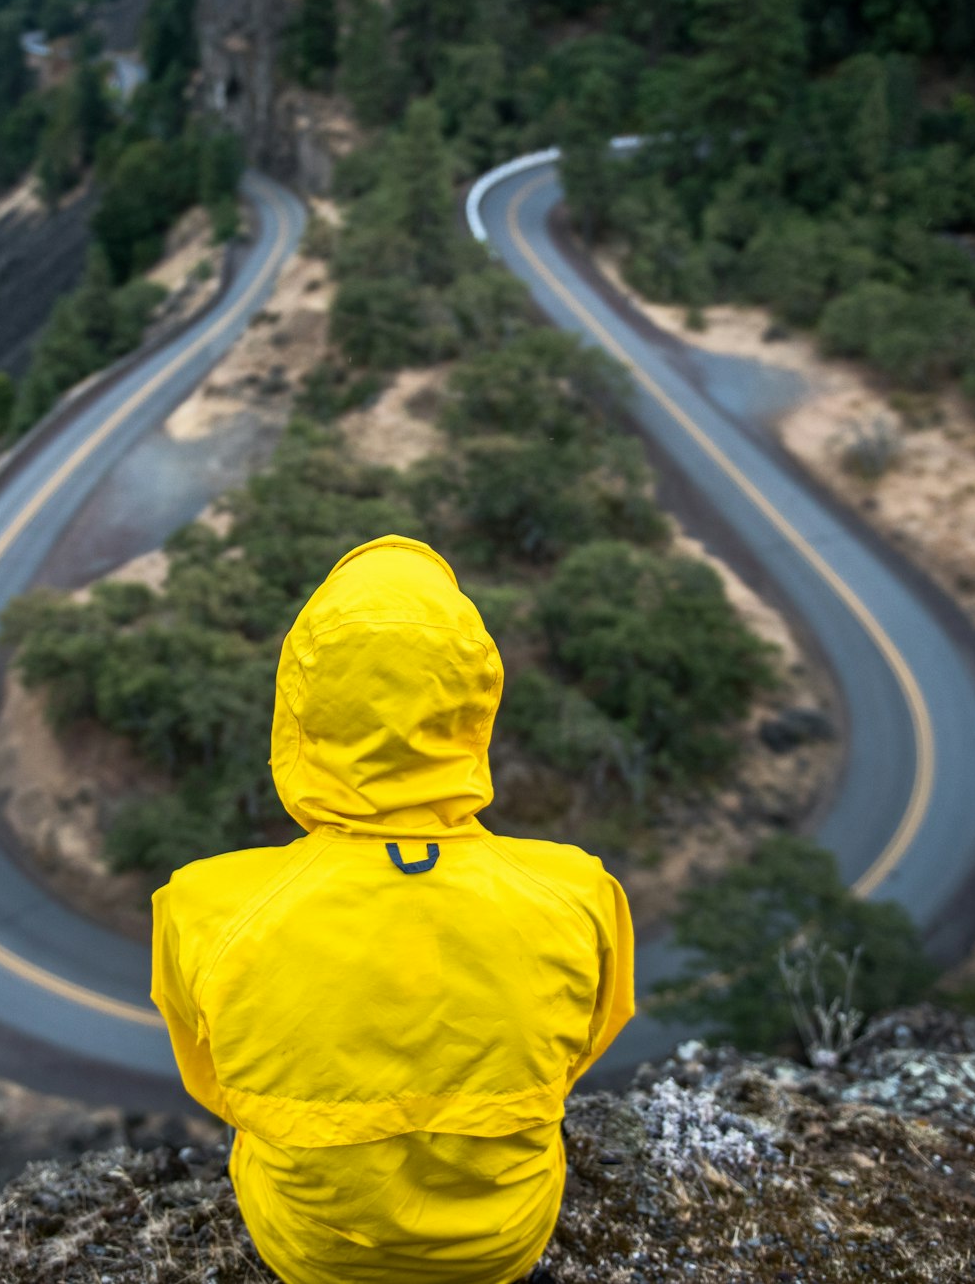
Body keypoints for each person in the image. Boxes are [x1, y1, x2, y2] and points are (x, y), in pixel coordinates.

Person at [151, 535, 635, 1284]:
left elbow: (215, 1082)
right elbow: (576, 1055)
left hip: (312, 1252)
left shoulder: (203, 905)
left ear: (298, 711)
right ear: (475, 704)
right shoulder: (579, 893)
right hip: (504, 1244)